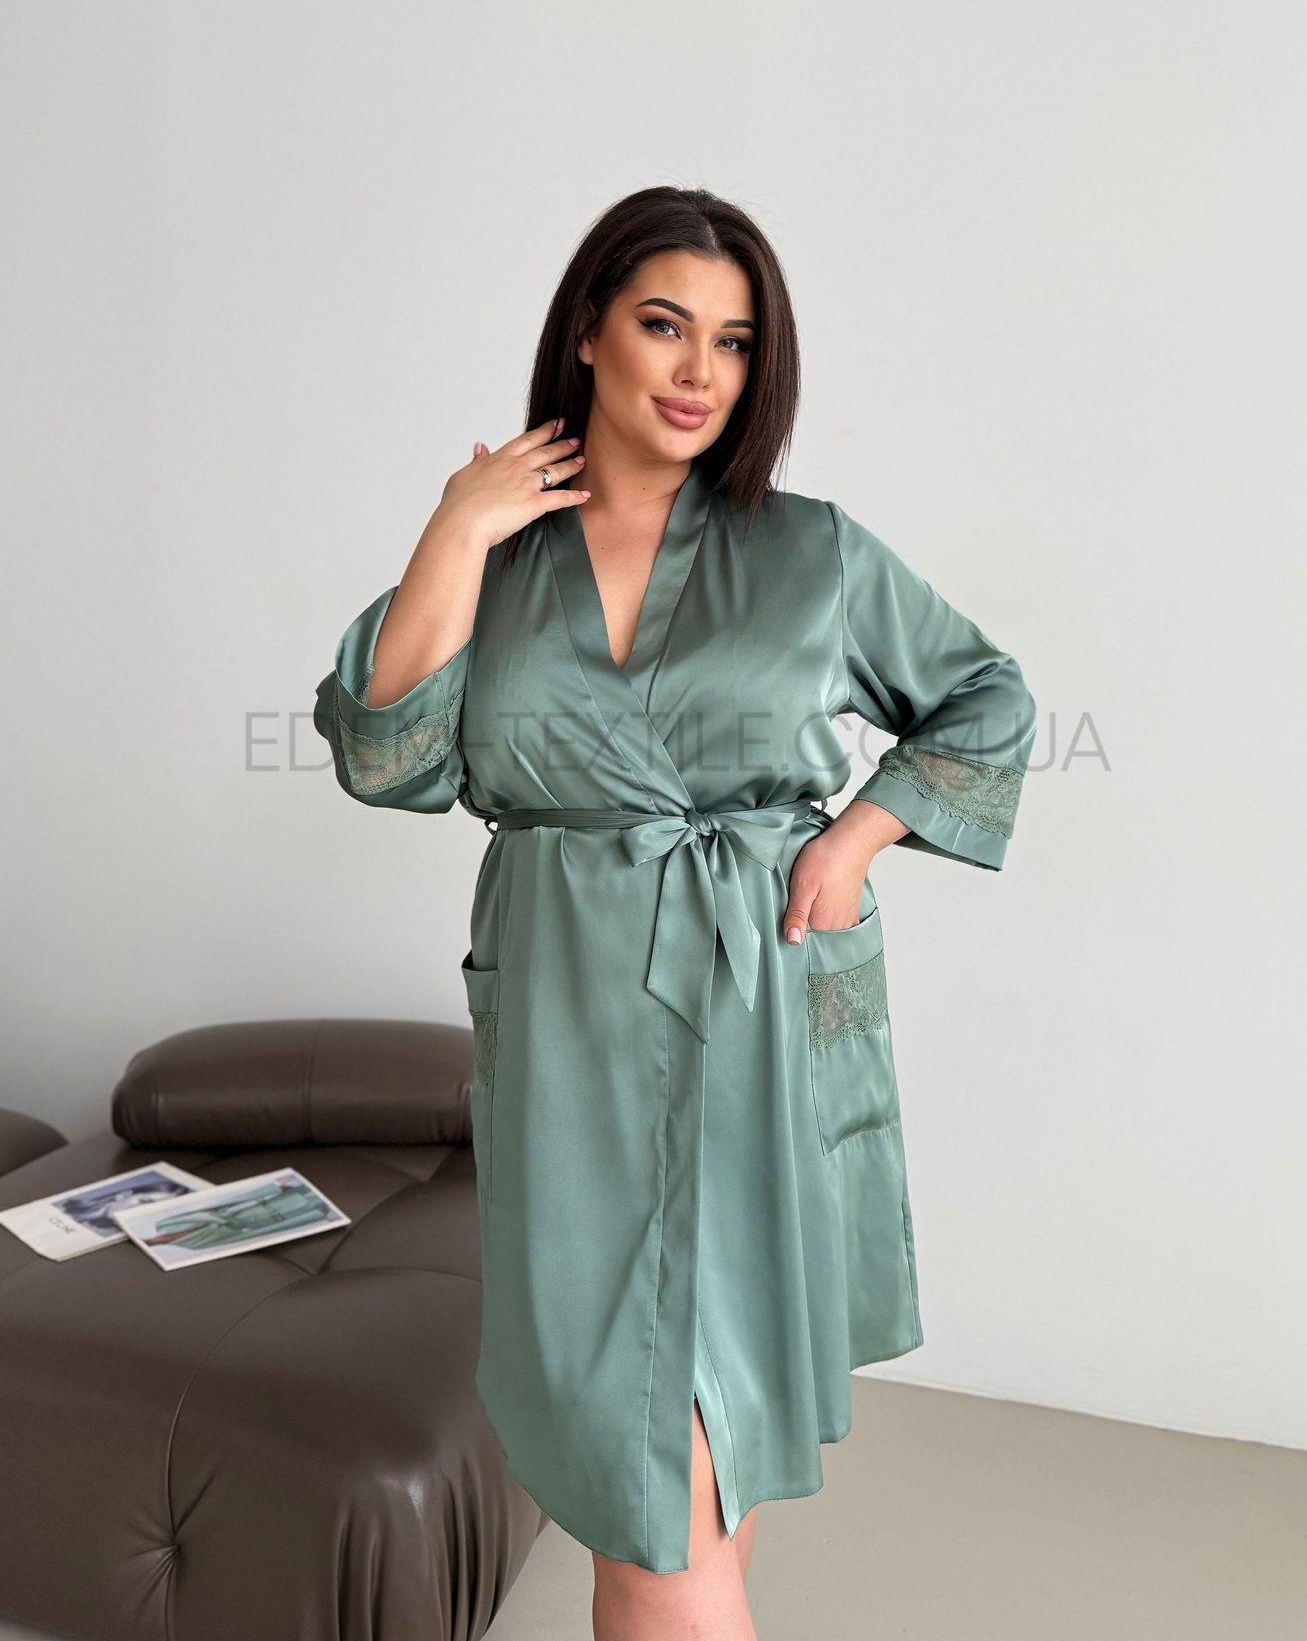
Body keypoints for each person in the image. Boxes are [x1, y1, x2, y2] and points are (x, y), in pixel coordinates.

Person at [312, 185, 1037, 1640]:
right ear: (589, 332)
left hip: (763, 1005)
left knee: (695, 1466)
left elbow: (985, 695)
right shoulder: (499, 558)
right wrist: (455, 525)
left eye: (735, 340)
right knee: (655, 1466)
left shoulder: (811, 552)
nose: (701, 370)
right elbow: (387, 759)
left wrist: (857, 838)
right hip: (569, 1020)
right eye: (664, 325)